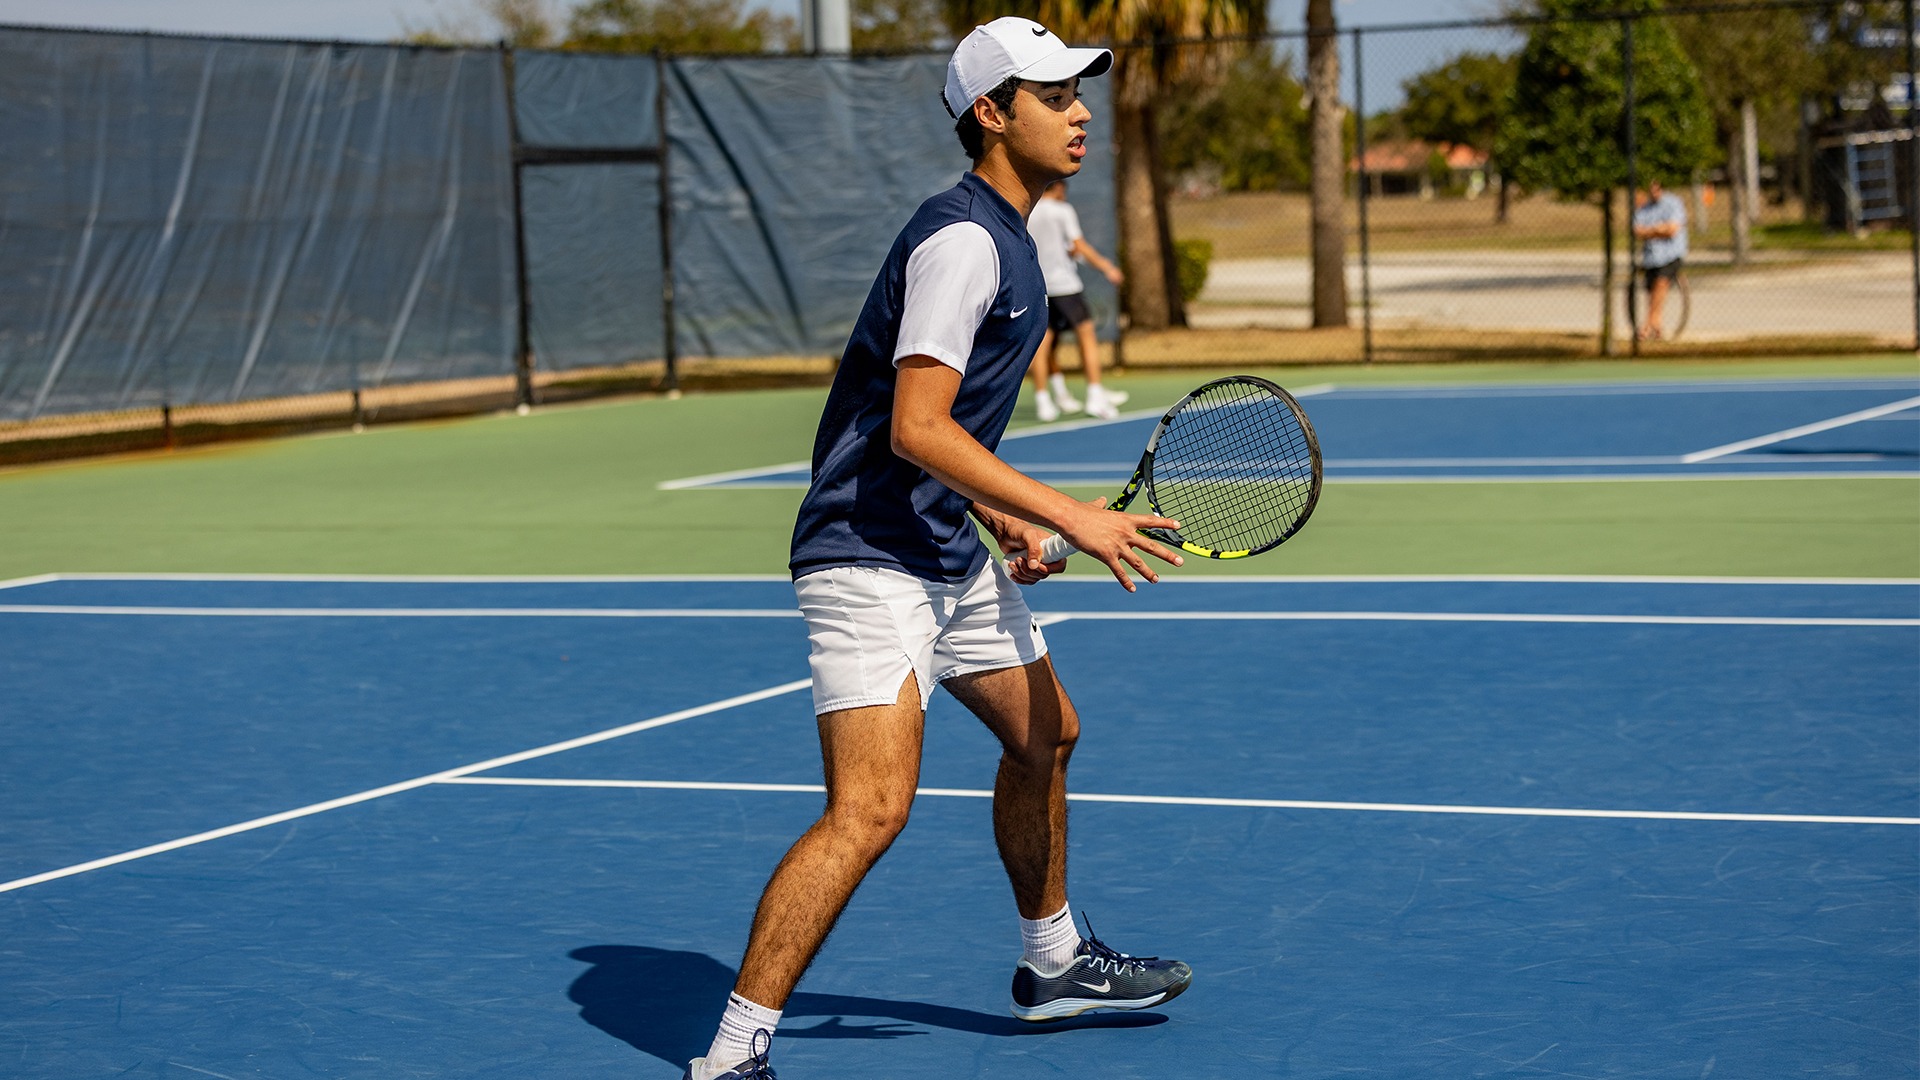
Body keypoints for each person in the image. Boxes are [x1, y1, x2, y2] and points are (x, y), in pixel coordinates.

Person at [681, 17, 1194, 1080]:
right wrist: (1070, 515)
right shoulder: (964, 240)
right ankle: (731, 1055)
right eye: (1053, 95)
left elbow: (931, 441)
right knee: (870, 810)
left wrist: (1002, 518)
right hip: (866, 556)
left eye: (1078, 91)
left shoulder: (1008, 234)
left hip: (936, 546)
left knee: (1046, 733)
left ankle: (1052, 964)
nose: (1080, 109)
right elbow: (915, 424)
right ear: (992, 114)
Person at [1027, 179, 1128, 420]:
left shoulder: (1028, 210)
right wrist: (1107, 267)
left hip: (1039, 288)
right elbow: (1079, 246)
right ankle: (1095, 397)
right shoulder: (1063, 211)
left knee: (1042, 345)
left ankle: (1044, 402)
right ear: (1059, 188)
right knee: (1086, 335)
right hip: (1065, 286)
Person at [1632, 179, 1688, 341]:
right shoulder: (1644, 209)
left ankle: (1647, 325)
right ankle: (1656, 326)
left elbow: (1672, 229)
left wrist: (1650, 231)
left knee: (1661, 285)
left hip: (1671, 255)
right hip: (1651, 257)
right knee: (1652, 293)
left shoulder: (1673, 203)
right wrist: (1659, 229)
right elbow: (1638, 230)